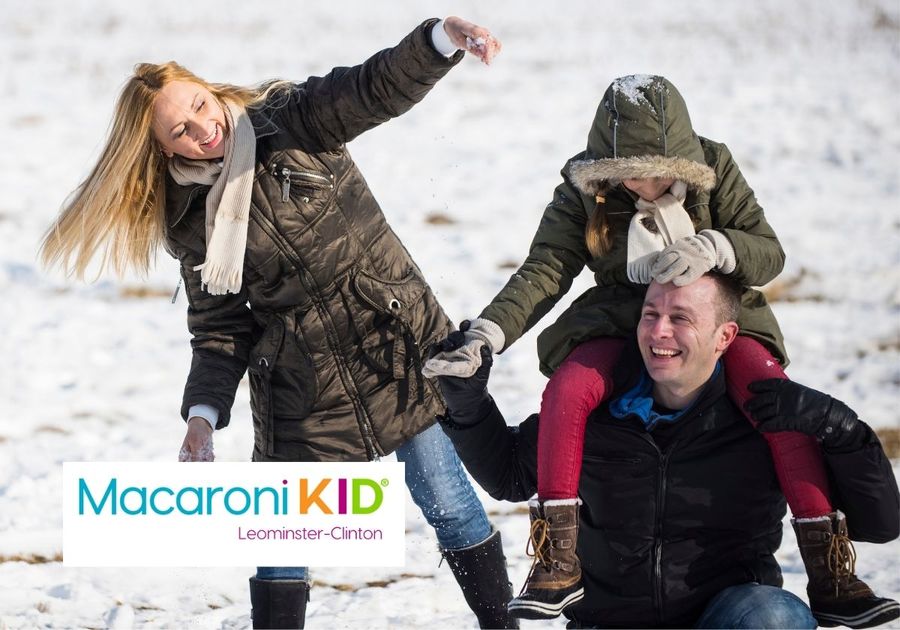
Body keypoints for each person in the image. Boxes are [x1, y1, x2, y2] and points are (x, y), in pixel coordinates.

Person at [40, 18, 517, 630]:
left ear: (210, 89)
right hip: (300, 381)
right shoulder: (188, 221)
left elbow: (371, 88)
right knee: (282, 540)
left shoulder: (291, 119)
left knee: (449, 504)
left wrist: (439, 41)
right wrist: (201, 417)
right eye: (181, 130)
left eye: (201, 106)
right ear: (165, 149)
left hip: (393, 343)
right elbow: (218, 328)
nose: (203, 129)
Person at [423, 73, 890, 623]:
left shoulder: (715, 171)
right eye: (626, 175)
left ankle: (832, 570)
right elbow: (545, 269)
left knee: (773, 401)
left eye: (653, 171)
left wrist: (719, 247)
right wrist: (486, 336)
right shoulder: (583, 187)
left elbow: (768, 252)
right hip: (619, 320)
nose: (641, 185)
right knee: (568, 390)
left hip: (717, 312)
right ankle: (558, 558)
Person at [436, 274, 900, 629]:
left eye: (680, 318)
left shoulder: (765, 421)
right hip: (609, 621)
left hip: (726, 613)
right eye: (649, 314)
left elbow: (880, 525)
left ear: (725, 337)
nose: (658, 332)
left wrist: (842, 430)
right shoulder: (595, 414)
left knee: (774, 617)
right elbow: (509, 477)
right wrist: (468, 404)